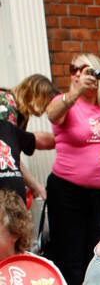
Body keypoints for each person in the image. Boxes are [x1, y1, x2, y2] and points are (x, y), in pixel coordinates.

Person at [43, 53, 100, 285]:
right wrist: (74, 93)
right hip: (68, 191)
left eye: (91, 72)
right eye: (77, 70)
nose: (82, 76)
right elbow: (51, 114)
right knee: (70, 254)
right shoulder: (67, 104)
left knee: (98, 250)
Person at [0, 73, 57, 204]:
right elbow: (7, 154)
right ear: (34, 93)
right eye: (45, 100)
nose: (46, 108)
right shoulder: (7, 104)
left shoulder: (22, 115)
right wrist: (35, 185)